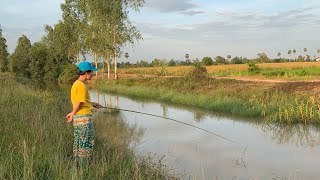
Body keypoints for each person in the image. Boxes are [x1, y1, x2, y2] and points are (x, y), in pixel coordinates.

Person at [65, 61, 102, 167]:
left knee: (79, 142)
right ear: (87, 73)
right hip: (84, 119)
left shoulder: (76, 84)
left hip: (79, 118)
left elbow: (82, 101)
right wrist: (72, 113)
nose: (93, 74)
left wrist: (92, 104)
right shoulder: (81, 86)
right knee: (85, 142)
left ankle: (78, 166)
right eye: (92, 72)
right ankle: (84, 168)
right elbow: (79, 103)